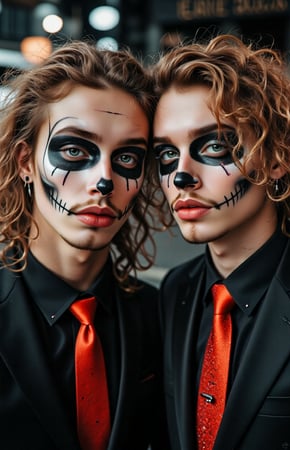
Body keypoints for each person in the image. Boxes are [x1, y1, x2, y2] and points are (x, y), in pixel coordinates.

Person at [0, 40, 169, 450]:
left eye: (128, 158)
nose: (104, 181)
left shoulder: (159, 317)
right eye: (75, 150)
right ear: (25, 161)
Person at [152, 33, 290, 450]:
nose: (181, 176)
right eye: (166, 155)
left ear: (275, 157)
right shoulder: (174, 292)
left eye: (214, 145)